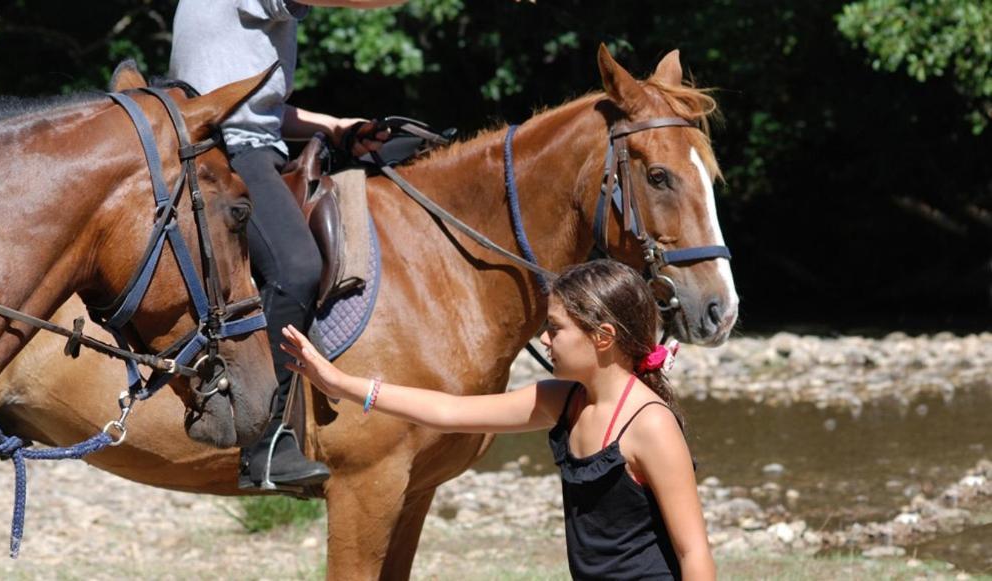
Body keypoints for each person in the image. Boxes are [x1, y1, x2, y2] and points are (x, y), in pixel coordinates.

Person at [282, 260, 716, 580]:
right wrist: (341, 384)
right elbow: (448, 412)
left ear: (602, 338)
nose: (545, 339)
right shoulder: (561, 401)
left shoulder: (650, 425)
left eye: (556, 328)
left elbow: (693, 551)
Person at [169, 0, 401, 489]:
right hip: (224, 149)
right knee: (295, 266)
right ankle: (264, 440)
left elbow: (264, 110)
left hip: (251, 143)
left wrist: (336, 127)